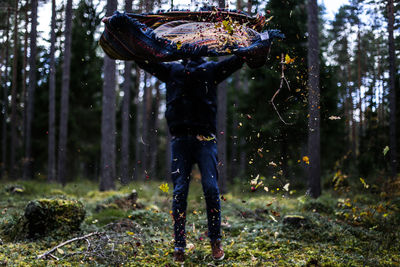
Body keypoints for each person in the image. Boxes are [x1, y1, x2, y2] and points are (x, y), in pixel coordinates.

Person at [135, 55, 244, 262]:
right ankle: (179, 246)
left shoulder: (210, 69)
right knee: (179, 192)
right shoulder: (173, 70)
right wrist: (132, 46)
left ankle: (215, 242)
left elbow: (237, 60)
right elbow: (146, 61)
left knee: (211, 188)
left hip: (206, 140)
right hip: (180, 141)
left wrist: (252, 45)